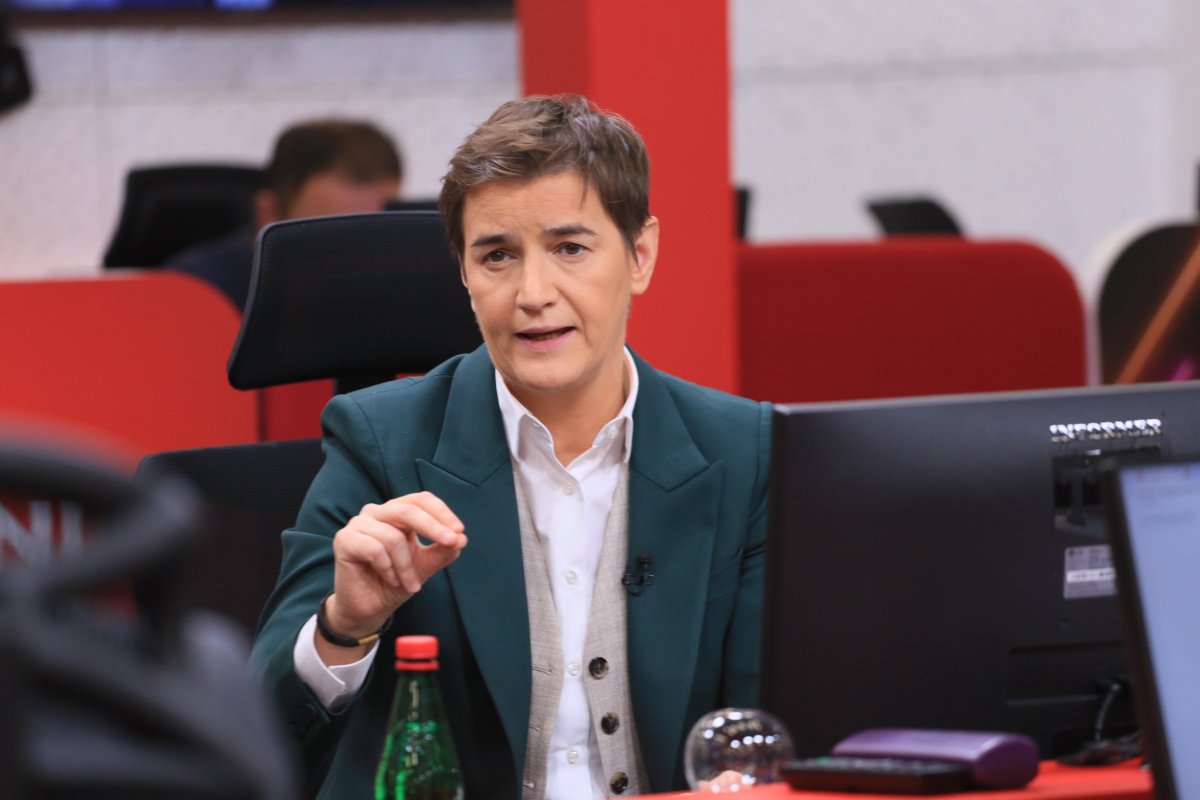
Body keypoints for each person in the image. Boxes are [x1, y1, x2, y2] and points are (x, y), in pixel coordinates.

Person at [250, 94, 771, 800]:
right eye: (497, 255)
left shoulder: (744, 450)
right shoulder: (379, 443)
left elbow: (777, 722)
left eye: (570, 249)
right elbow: (256, 736)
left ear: (640, 255)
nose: (533, 293)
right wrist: (345, 626)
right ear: (465, 274)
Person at [166, 119, 402, 311]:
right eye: (333, 235)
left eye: (379, 232)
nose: (358, 254)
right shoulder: (193, 291)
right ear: (269, 214)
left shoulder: (400, 289)